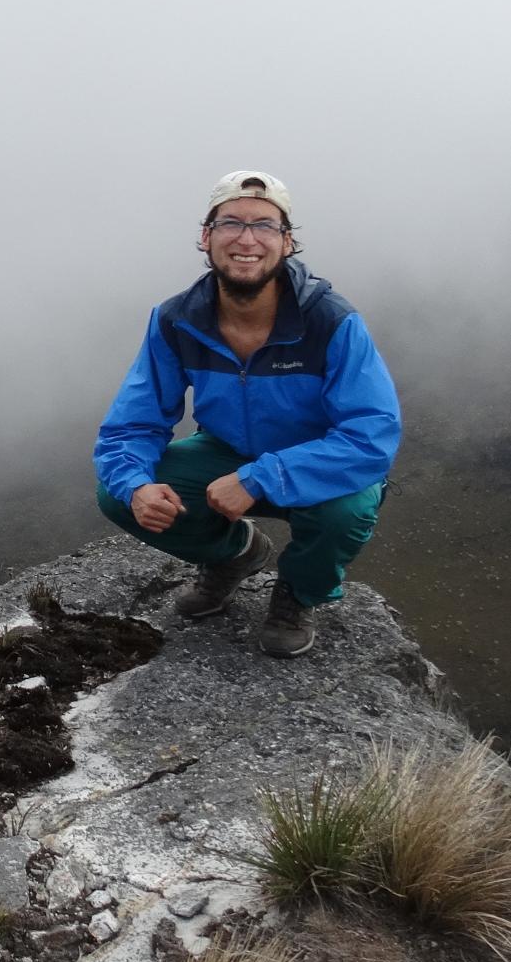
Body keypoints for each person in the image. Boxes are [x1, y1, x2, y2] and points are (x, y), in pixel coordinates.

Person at [93, 170, 401, 658]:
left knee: (349, 509)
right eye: (230, 222)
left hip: (319, 458)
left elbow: (371, 436)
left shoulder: (331, 321)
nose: (246, 238)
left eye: (265, 225)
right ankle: (237, 555)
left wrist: (260, 478)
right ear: (206, 237)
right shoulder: (177, 320)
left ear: (288, 243)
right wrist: (134, 484)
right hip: (225, 451)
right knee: (117, 496)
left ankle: (296, 596)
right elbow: (134, 423)